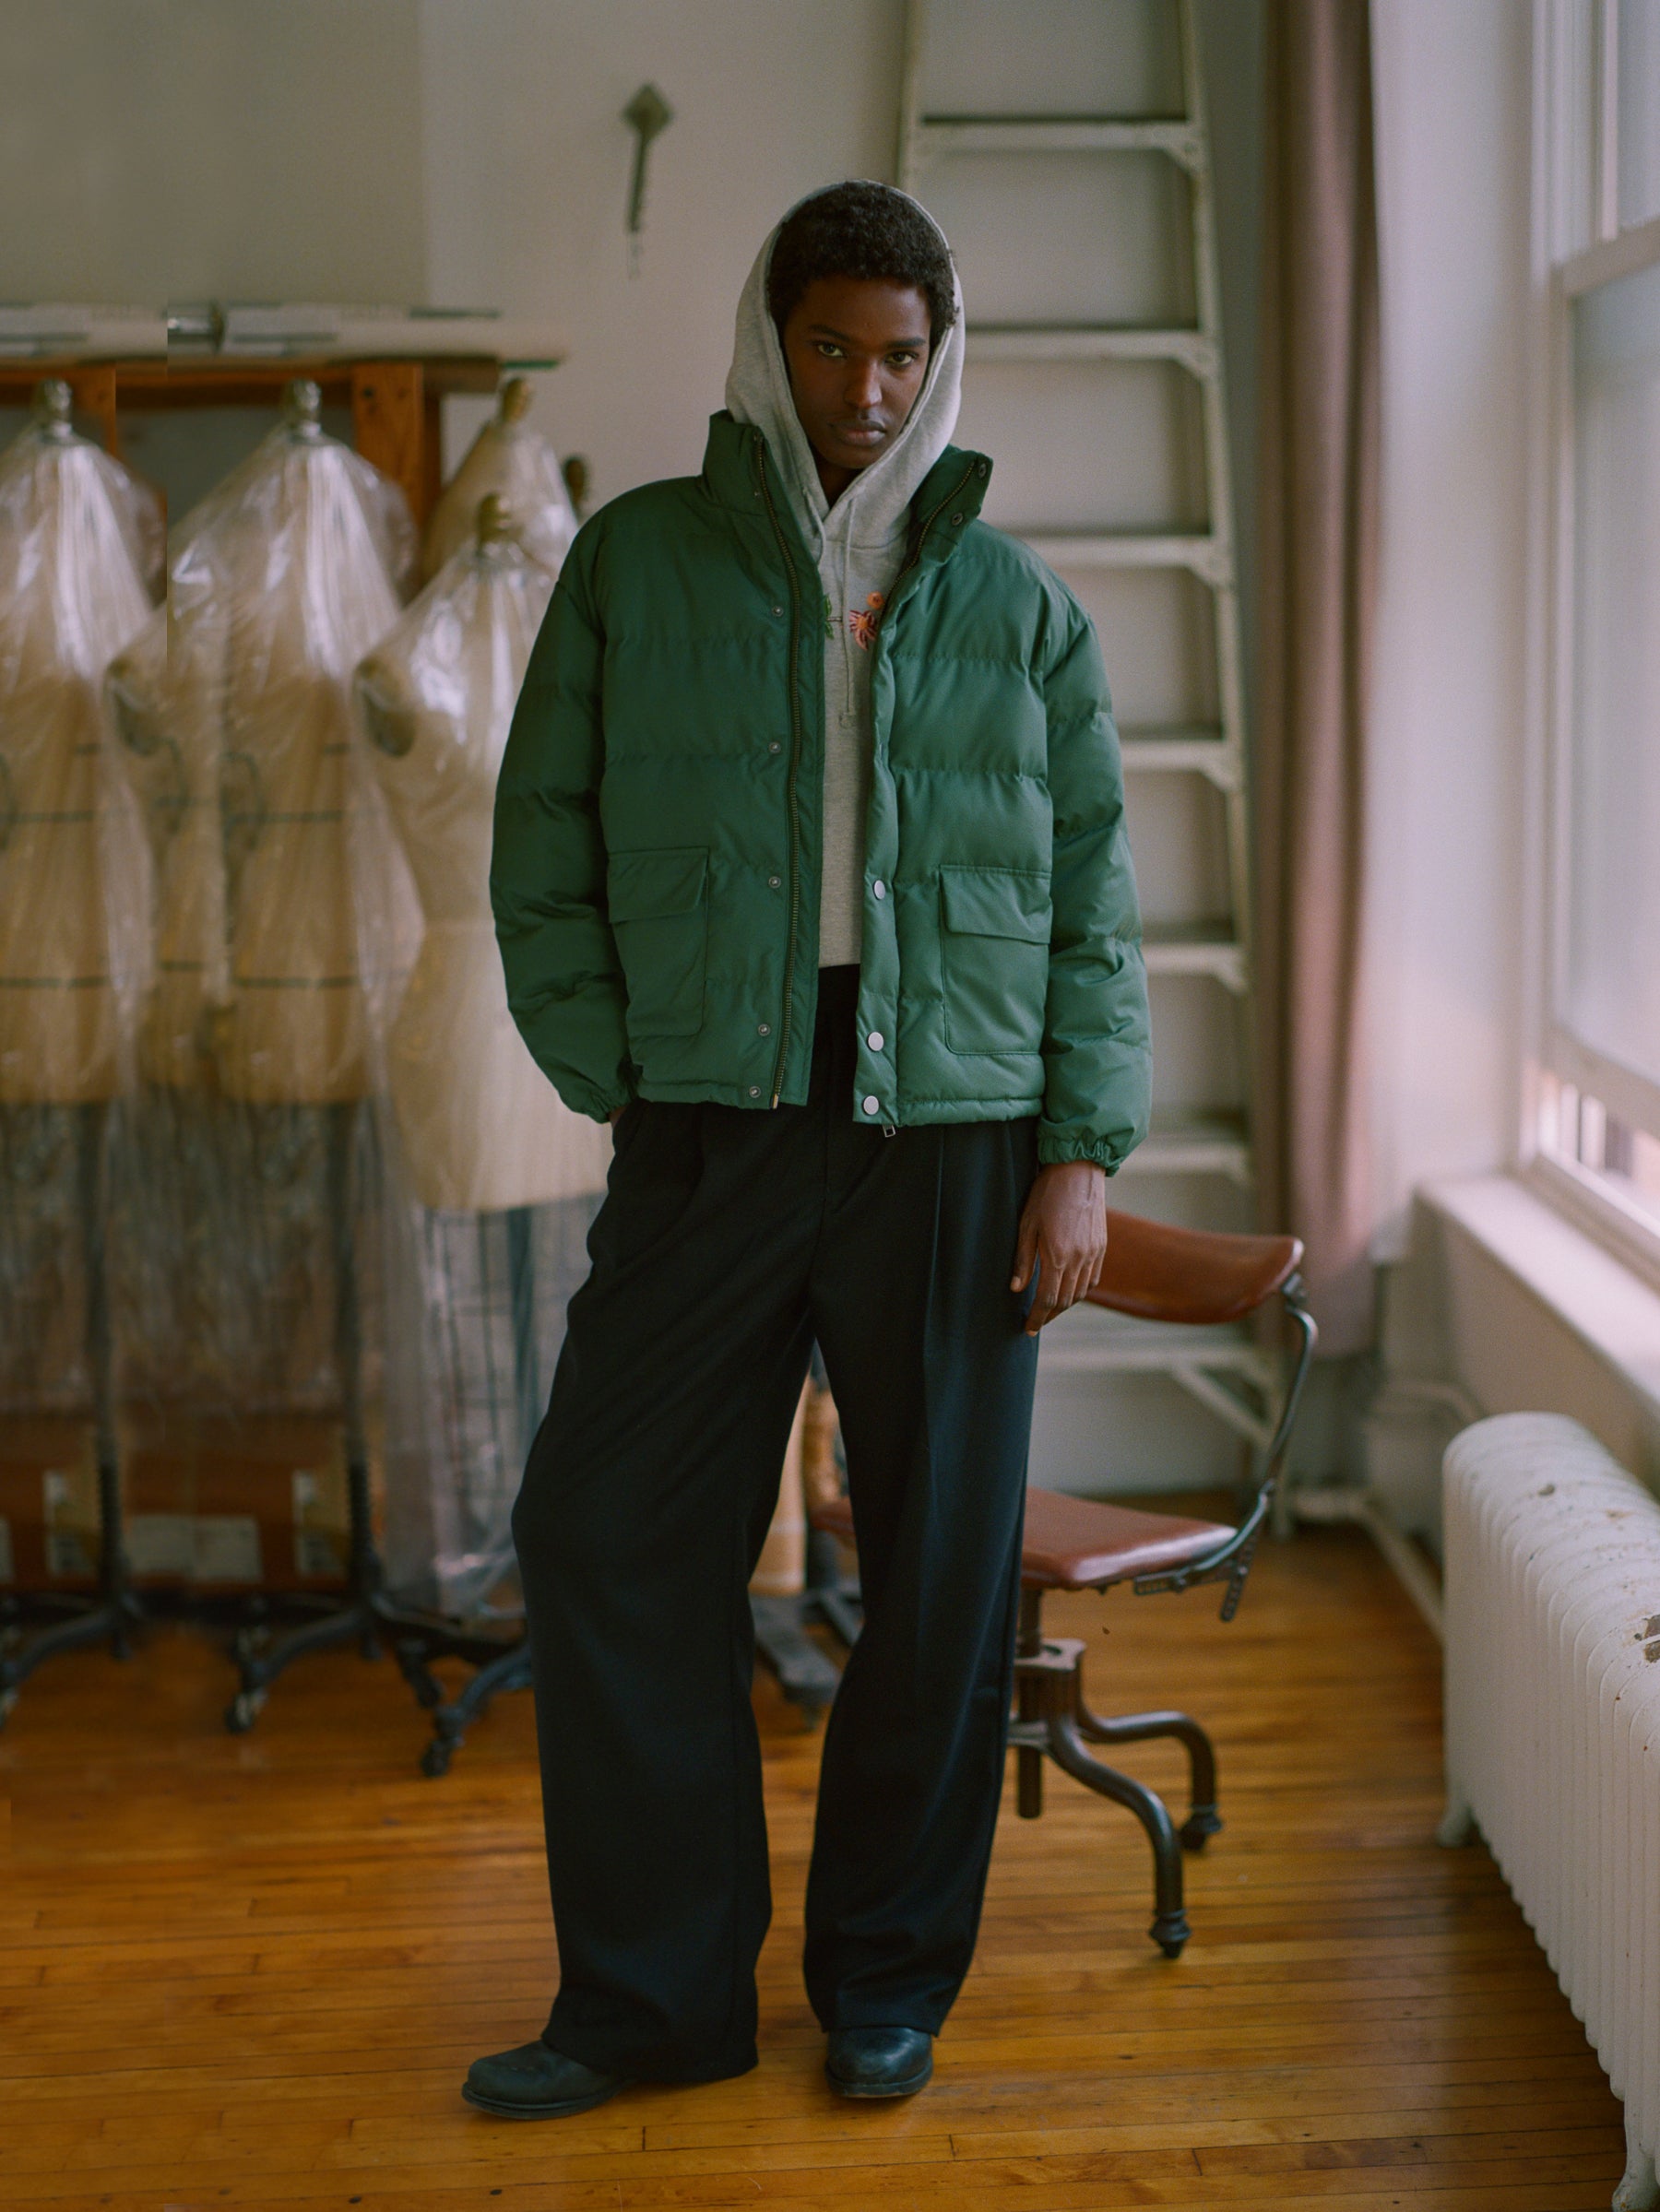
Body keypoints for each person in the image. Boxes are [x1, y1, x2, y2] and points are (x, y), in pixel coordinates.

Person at [473, 181, 1150, 2119]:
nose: (866, 388)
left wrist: (1081, 1146)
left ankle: (883, 1981)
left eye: (901, 355)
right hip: (716, 1123)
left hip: (954, 1133)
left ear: (942, 367)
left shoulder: (1018, 608)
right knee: (605, 1532)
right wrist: (626, 1070)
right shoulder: (638, 563)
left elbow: (1099, 897)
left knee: (936, 1581)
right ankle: (653, 2001)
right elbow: (542, 844)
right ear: (773, 344)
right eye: (835, 346)